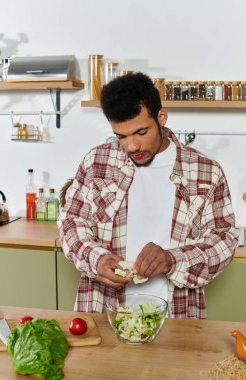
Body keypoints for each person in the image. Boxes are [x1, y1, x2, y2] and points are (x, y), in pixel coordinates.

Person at [58, 72, 238, 319]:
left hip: (177, 315)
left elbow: (224, 240)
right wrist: (95, 259)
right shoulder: (96, 162)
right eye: (121, 136)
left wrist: (170, 260)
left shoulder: (206, 172)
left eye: (141, 132)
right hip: (104, 311)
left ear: (161, 118)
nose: (131, 146)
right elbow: (71, 223)